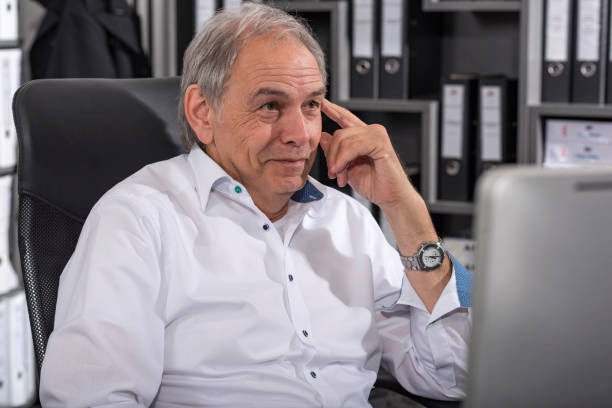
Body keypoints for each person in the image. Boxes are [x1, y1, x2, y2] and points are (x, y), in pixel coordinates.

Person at [39, 3, 472, 407]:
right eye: (271, 106)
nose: (300, 134)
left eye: (311, 106)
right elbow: (91, 397)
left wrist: (405, 209)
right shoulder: (139, 219)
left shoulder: (348, 221)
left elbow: (450, 375)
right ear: (202, 112)